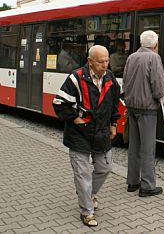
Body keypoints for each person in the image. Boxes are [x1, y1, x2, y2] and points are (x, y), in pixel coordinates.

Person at [52, 45, 120, 227]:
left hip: (101, 134)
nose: (105, 65)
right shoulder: (76, 78)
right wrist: (74, 119)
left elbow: (114, 103)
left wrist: (114, 124)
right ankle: (87, 212)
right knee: (82, 174)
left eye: (107, 61)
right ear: (90, 62)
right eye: (101, 62)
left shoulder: (110, 77)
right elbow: (58, 102)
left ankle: (88, 194)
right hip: (79, 135)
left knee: (105, 167)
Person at [122, 30, 164, 197]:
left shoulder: (131, 57)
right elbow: (158, 85)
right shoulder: (153, 58)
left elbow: (125, 82)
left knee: (134, 146)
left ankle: (132, 181)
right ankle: (148, 186)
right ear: (155, 45)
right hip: (147, 109)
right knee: (147, 148)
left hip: (132, 107)